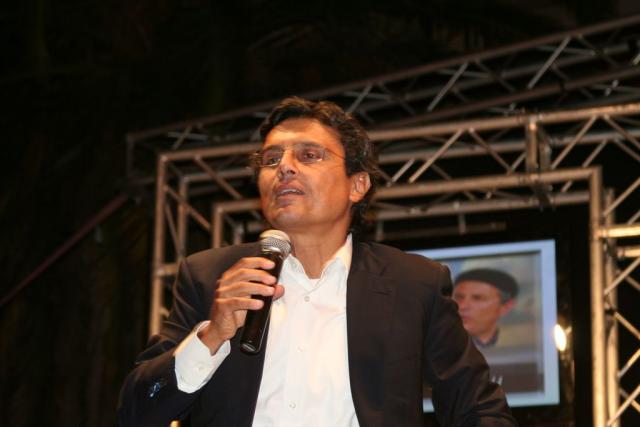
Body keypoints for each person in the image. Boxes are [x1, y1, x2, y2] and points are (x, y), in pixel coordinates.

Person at [118, 97, 516, 426]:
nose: (284, 167)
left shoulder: (413, 283)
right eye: (271, 160)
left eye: (309, 155)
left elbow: (479, 408)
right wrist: (212, 335)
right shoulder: (210, 277)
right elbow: (137, 412)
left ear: (357, 185)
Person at [452, 268, 518, 348]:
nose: (462, 306)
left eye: (477, 298)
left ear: (505, 307)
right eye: (458, 297)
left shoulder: (521, 344)